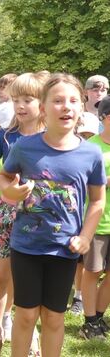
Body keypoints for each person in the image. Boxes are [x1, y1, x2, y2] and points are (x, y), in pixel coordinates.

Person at [0, 73, 106, 357]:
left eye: (73, 100)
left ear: (82, 107)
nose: (66, 106)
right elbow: (4, 177)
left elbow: (97, 202)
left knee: (54, 317)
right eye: (57, 101)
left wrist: (85, 238)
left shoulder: (91, 154)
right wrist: (11, 192)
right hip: (26, 246)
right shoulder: (25, 146)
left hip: (64, 250)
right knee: (25, 315)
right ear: (44, 107)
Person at [0, 72, 47, 356]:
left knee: (29, 278)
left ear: (41, 103)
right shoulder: (6, 137)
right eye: (15, 99)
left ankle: (29, 332)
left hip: (40, 216)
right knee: (0, 274)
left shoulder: (51, 136)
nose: (20, 106)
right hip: (6, 212)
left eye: (27, 100)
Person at [81, 95, 110, 340]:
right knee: (92, 271)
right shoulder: (91, 148)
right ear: (106, 118)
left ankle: (99, 317)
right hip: (98, 221)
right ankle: (89, 321)